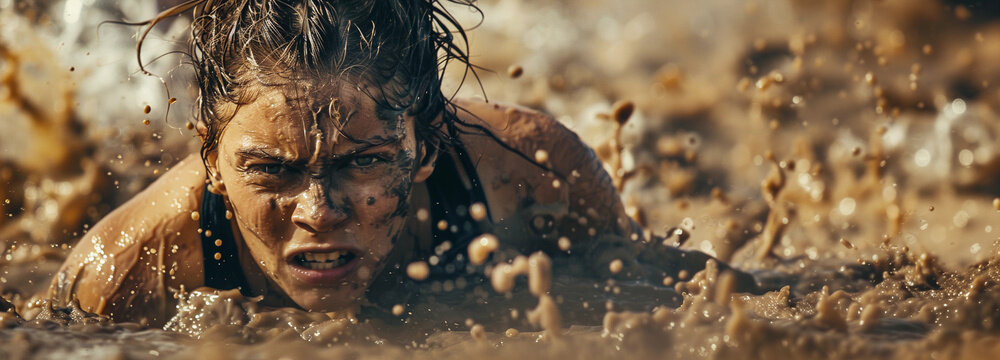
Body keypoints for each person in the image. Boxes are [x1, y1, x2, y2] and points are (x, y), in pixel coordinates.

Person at [46, 0, 757, 326]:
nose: (319, 212)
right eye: (272, 171)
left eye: (365, 163)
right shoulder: (135, 263)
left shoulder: (532, 171)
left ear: (427, 146)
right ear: (209, 154)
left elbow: (661, 297)